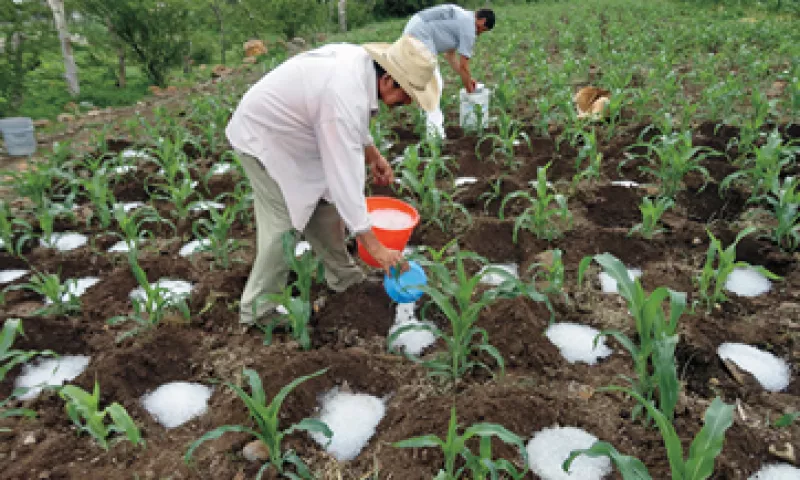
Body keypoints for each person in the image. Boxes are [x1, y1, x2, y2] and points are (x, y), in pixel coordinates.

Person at [225, 35, 439, 326]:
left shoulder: (361, 70)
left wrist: (372, 153)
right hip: (264, 138)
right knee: (284, 225)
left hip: (297, 137)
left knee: (325, 207)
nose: (408, 103)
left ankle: (344, 278)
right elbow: (345, 179)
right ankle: (258, 312)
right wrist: (374, 246)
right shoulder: (343, 96)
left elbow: (352, 120)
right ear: (388, 80)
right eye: (408, 95)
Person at [403, 5, 495, 139]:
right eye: (482, 29)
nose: (479, 33)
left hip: (413, 30)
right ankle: (435, 135)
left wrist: (468, 79)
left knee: (428, 85)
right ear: (481, 21)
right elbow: (464, 65)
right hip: (419, 35)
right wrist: (470, 90)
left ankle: (427, 120)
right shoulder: (469, 28)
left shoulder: (462, 19)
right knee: (435, 86)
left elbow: (450, 56)